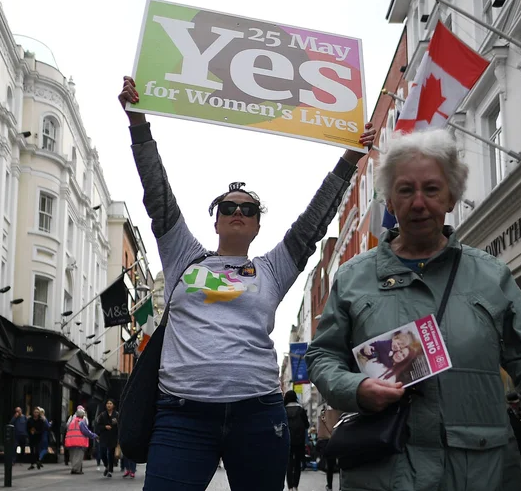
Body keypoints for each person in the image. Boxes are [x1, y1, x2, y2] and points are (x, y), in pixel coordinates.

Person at [118, 76, 375, 491]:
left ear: (257, 223)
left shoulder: (272, 268)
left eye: (249, 208)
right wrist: (138, 122)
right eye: (229, 206)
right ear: (216, 217)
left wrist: (350, 158)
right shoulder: (184, 253)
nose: (238, 211)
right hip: (182, 415)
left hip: (258, 414)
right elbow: (157, 193)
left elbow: (312, 224)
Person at [305, 129, 521, 491]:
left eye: (432, 189)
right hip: (383, 474)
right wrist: (356, 387)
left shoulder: (490, 275)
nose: (419, 202)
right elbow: (323, 356)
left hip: (479, 473)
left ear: (451, 198)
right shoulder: (352, 278)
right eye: (406, 190)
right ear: (390, 202)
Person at [284, 390, 309, 491]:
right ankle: (295, 486)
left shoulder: (284, 409)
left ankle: (289, 486)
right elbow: (307, 425)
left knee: (289, 463)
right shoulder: (301, 410)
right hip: (299, 441)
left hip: (288, 440)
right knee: (297, 463)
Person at [64, 406, 98, 475]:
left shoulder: (71, 421)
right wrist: (94, 436)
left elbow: (67, 427)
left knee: (73, 456)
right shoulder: (81, 422)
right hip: (79, 441)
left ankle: (74, 468)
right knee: (79, 456)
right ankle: (76, 470)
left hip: (70, 441)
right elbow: (86, 432)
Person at [507, 392, 521, 487]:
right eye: (513, 403)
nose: (515, 405)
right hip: (513, 440)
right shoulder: (507, 413)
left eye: (517, 403)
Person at [96, 399, 119, 477]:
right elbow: (98, 426)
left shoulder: (116, 415)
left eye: (110, 403)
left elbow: (119, 426)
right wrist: (105, 427)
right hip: (104, 436)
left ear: (113, 405)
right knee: (102, 452)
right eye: (107, 403)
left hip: (113, 436)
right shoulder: (102, 415)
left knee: (111, 454)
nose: (109, 405)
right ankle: (107, 465)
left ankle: (110, 470)